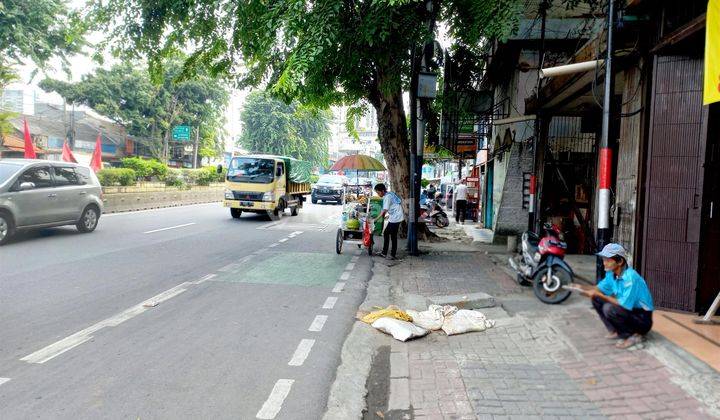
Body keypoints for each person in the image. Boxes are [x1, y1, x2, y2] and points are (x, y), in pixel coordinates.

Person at [577, 243, 654, 349]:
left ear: (620, 261)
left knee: (609, 308)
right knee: (596, 299)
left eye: (608, 260)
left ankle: (631, 335)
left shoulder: (631, 278)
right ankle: (614, 330)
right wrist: (578, 287)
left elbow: (624, 305)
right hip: (630, 311)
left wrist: (597, 293)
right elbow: (597, 289)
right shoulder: (611, 275)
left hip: (642, 318)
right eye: (604, 259)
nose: (604, 263)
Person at [374, 183, 403, 260]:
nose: (378, 194)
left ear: (383, 191)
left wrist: (376, 219)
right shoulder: (389, 194)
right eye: (377, 192)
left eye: (378, 192)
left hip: (396, 217)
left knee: (388, 234)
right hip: (395, 216)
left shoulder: (387, 197)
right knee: (391, 235)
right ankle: (387, 253)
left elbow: (384, 210)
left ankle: (388, 253)